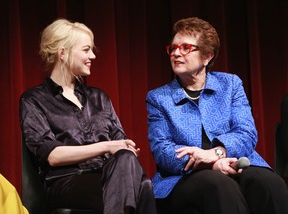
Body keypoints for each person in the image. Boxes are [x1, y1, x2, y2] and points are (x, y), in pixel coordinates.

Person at [146, 17, 288, 214]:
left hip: (235, 160)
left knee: (271, 185)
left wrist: (216, 153)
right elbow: (162, 151)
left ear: (207, 56)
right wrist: (208, 164)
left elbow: (246, 133)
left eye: (185, 47)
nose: (176, 53)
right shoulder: (159, 98)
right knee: (220, 186)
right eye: (173, 48)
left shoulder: (230, 85)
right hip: (185, 176)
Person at [19, 18, 157, 214]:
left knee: (128, 163)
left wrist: (125, 147)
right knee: (142, 187)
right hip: (66, 182)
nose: (92, 55)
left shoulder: (99, 97)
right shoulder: (34, 100)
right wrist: (107, 146)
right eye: (86, 50)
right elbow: (53, 156)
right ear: (63, 53)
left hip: (110, 175)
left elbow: (121, 144)